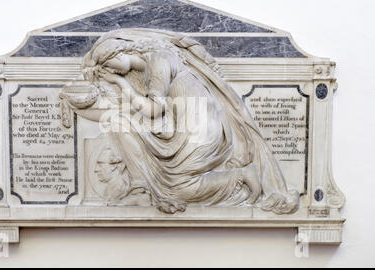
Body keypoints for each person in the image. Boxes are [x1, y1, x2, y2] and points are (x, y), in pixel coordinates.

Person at [60, 28, 299, 214]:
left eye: (108, 64)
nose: (109, 71)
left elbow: (153, 110)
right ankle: (141, 187)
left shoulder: (159, 60)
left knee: (174, 186)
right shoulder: (149, 66)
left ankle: (240, 176)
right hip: (189, 128)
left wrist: (122, 86)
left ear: (120, 53)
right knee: (124, 122)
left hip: (200, 132)